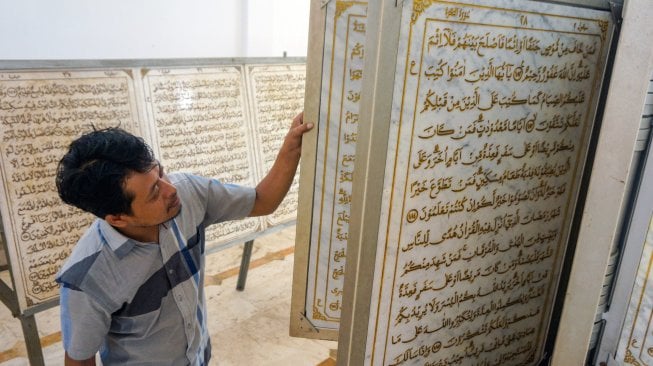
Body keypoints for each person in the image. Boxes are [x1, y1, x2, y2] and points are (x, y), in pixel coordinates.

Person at [54, 112, 312, 366]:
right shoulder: (87, 280)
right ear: (118, 218)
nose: (171, 189)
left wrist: (292, 147)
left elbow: (262, 201)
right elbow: (79, 360)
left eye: (161, 173)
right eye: (154, 193)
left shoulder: (189, 192)